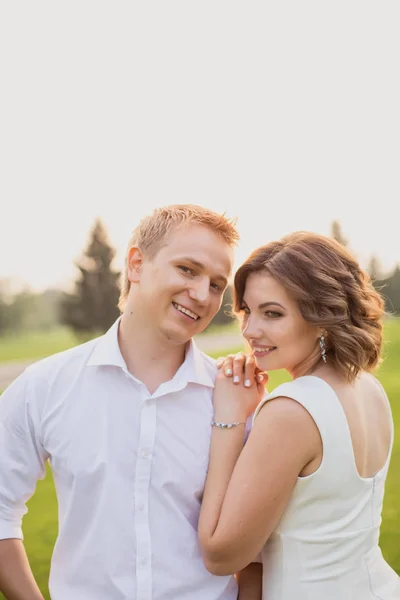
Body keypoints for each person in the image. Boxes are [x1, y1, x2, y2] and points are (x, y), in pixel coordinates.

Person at [0, 204, 262, 600]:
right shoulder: (44, 386)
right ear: (137, 264)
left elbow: (259, 547)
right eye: (187, 269)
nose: (201, 294)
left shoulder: (237, 397)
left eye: (216, 284)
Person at [198, 231, 400, 599]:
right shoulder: (368, 388)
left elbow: (220, 553)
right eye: (247, 311)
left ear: (321, 316)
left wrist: (230, 418)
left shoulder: (291, 411)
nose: (250, 330)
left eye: (272, 313)